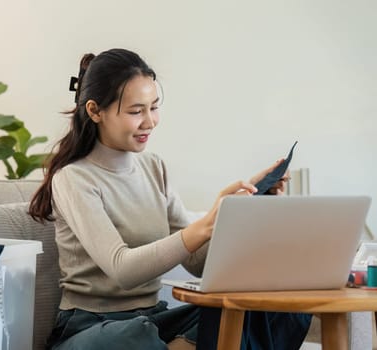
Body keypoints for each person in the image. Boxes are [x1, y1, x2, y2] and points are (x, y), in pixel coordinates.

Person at [29, 48, 311, 350]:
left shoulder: (154, 168)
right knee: (136, 336)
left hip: (154, 321)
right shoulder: (74, 179)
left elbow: (196, 262)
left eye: (154, 107)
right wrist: (203, 225)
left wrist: (240, 213)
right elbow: (123, 270)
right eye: (136, 111)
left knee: (276, 311)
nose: (149, 122)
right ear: (96, 111)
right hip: (93, 328)